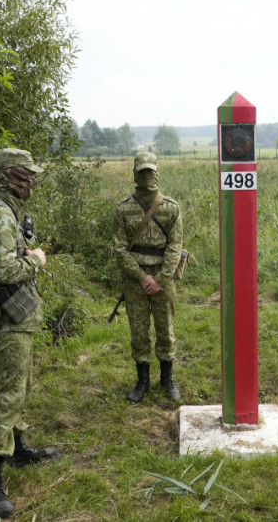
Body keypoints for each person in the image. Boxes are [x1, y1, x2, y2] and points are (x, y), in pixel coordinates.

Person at [0, 148, 58, 519]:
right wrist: (35, 261)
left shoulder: (11, 213)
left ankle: (18, 448)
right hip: (7, 318)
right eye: (26, 175)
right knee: (8, 393)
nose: (32, 183)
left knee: (23, 385)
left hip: (18, 316)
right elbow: (0, 270)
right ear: (9, 176)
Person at [112, 151, 184, 403]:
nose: (146, 176)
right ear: (135, 173)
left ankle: (167, 378)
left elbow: (175, 247)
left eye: (150, 171)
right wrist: (143, 278)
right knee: (139, 331)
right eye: (142, 171)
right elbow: (120, 249)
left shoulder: (170, 208)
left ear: (157, 172)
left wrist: (161, 279)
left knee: (165, 329)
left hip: (163, 281)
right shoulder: (124, 209)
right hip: (135, 281)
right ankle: (142, 380)